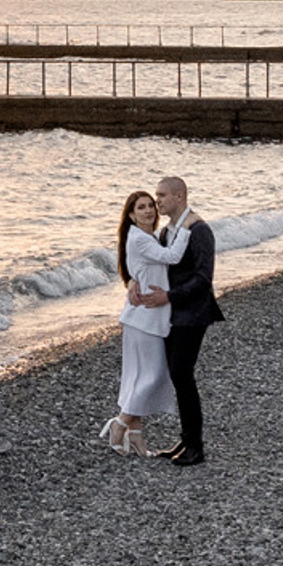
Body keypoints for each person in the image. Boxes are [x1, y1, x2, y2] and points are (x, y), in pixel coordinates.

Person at [98, 188, 191, 457]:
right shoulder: (140, 238)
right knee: (153, 375)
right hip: (144, 319)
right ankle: (120, 423)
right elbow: (173, 257)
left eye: (151, 205)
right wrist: (186, 224)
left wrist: (133, 281)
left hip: (144, 317)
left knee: (138, 377)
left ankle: (137, 439)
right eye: (141, 207)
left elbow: (148, 267)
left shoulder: (146, 237)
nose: (149, 210)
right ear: (130, 215)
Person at [154, 174, 222, 467]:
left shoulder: (200, 230)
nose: (157, 201)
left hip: (194, 312)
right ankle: (186, 439)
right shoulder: (167, 231)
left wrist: (169, 296)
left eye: (162, 196)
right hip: (172, 311)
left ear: (179, 197)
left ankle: (196, 446)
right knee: (177, 374)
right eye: (157, 196)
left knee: (182, 373)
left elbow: (203, 278)